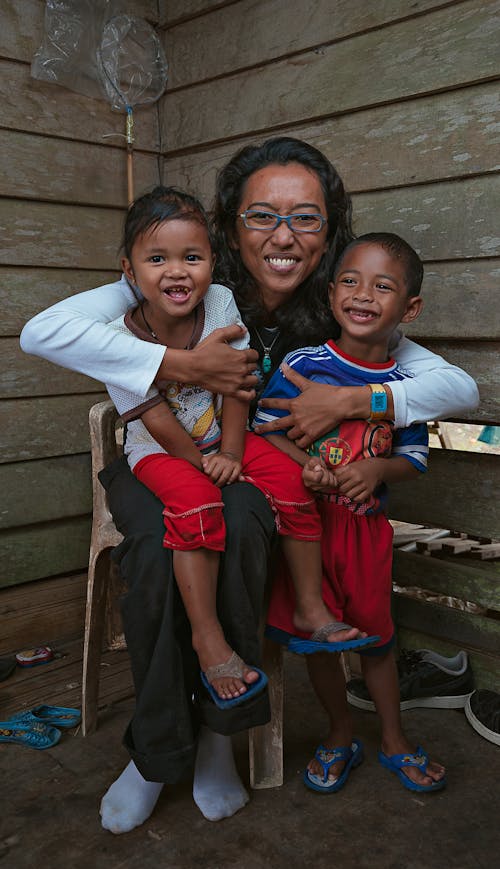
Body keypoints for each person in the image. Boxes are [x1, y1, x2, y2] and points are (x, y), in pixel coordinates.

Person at [20, 137, 479, 831]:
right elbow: (43, 331)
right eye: (263, 215)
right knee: (151, 546)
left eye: (308, 217)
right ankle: (153, 753)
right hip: (160, 453)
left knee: (240, 529)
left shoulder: (340, 303)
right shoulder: (177, 268)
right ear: (231, 224)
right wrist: (183, 364)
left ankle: (217, 739)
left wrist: (358, 402)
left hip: (248, 463)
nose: (285, 235)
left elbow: (458, 386)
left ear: (331, 233)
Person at [106, 184, 368, 707]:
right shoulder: (117, 337)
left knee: (295, 485)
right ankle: (208, 640)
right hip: (161, 449)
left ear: (212, 262)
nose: (177, 271)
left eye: (192, 257)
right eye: (157, 259)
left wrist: (230, 452)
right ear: (130, 272)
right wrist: (201, 463)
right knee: (197, 505)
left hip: (226, 432)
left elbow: (237, 386)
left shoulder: (221, 301)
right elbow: (155, 416)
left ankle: (309, 610)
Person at [253, 231, 445, 792]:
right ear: (333, 292)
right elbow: (268, 430)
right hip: (307, 534)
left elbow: (412, 457)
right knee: (320, 644)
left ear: (408, 308)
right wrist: (302, 468)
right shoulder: (304, 362)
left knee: (378, 642)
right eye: (351, 282)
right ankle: (340, 735)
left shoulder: (406, 386)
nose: (363, 295)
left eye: (382, 287)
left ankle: (394, 738)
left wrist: (377, 471)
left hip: (366, 534)